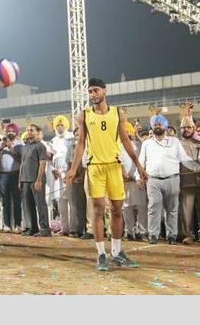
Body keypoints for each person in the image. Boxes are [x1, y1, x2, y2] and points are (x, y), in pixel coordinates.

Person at [65, 77, 148, 271]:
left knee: (117, 210)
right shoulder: (84, 115)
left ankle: (117, 252)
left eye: (96, 91)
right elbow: (81, 143)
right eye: (90, 92)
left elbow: (127, 142)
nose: (93, 95)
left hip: (113, 166)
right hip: (95, 168)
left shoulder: (118, 113)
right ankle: (101, 254)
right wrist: (72, 169)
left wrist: (139, 166)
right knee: (97, 210)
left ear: (105, 90)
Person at [137, 114, 200, 245]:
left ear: (165, 126)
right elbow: (140, 161)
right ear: (152, 127)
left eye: (160, 124)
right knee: (153, 208)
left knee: (172, 209)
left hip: (172, 179)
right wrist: (138, 177)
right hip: (153, 180)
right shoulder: (147, 144)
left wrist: (196, 167)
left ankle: (172, 236)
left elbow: (184, 159)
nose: (157, 126)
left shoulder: (174, 142)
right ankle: (153, 235)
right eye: (155, 124)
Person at [19, 124, 50, 237]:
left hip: (36, 180)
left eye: (31, 130)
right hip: (25, 180)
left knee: (40, 204)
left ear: (37, 132)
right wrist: (20, 180)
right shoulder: (25, 146)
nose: (29, 132)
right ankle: (33, 228)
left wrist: (39, 180)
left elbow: (42, 164)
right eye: (27, 130)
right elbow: (22, 164)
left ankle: (45, 229)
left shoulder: (41, 146)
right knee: (28, 205)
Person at [120, 122, 147, 241]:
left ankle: (143, 232)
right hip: (124, 181)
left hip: (138, 181)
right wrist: (123, 175)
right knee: (126, 208)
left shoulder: (138, 145)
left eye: (127, 131)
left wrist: (138, 176)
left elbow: (143, 161)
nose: (125, 133)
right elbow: (117, 162)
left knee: (141, 207)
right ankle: (129, 232)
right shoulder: (118, 146)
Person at [178, 107, 200, 244]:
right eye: (183, 127)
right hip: (186, 182)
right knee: (187, 211)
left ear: (193, 128)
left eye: (189, 127)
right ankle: (189, 235)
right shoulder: (177, 144)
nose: (186, 129)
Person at [0, 123, 22, 233]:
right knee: (5, 201)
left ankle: (18, 224)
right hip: (4, 175)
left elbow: (20, 159)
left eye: (12, 131)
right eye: (8, 131)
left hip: (15, 174)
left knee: (16, 200)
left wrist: (11, 148)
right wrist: (1, 149)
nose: (10, 133)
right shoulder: (0, 144)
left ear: (16, 133)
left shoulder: (20, 144)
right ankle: (6, 224)